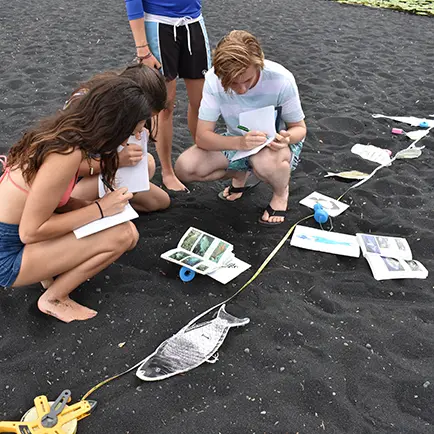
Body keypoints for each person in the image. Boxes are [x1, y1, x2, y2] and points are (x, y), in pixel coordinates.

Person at [0, 76, 160, 323]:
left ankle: (48, 274)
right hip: (8, 257)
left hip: (14, 235)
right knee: (124, 235)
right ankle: (53, 298)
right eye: (131, 132)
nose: (131, 139)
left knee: (122, 229)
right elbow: (30, 232)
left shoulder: (65, 136)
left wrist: (88, 208)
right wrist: (99, 209)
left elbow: (49, 200)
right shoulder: (66, 154)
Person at [174, 30, 307, 225]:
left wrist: (286, 138)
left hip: (274, 145)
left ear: (259, 63)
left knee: (265, 164)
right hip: (237, 141)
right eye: (233, 84)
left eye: (247, 80)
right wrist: (240, 142)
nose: (242, 89)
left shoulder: (281, 79)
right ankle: (240, 172)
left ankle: (280, 193)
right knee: (185, 168)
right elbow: (202, 137)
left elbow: (300, 129)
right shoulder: (213, 79)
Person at [124, 0, 211, 191]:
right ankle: (167, 172)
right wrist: (142, 48)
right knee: (164, 106)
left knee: (201, 102)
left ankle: (203, 154)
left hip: (193, 21)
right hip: (158, 24)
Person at [68, 64, 170, 212]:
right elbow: (69, 167)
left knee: (159, 200)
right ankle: (100, 208)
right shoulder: (87, 110)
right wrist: (116, 161)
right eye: (142, 119)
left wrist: (134, 138)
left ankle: (111, 203)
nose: (143, 125)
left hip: (104, 170)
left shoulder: (123, 109)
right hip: (72, 182)